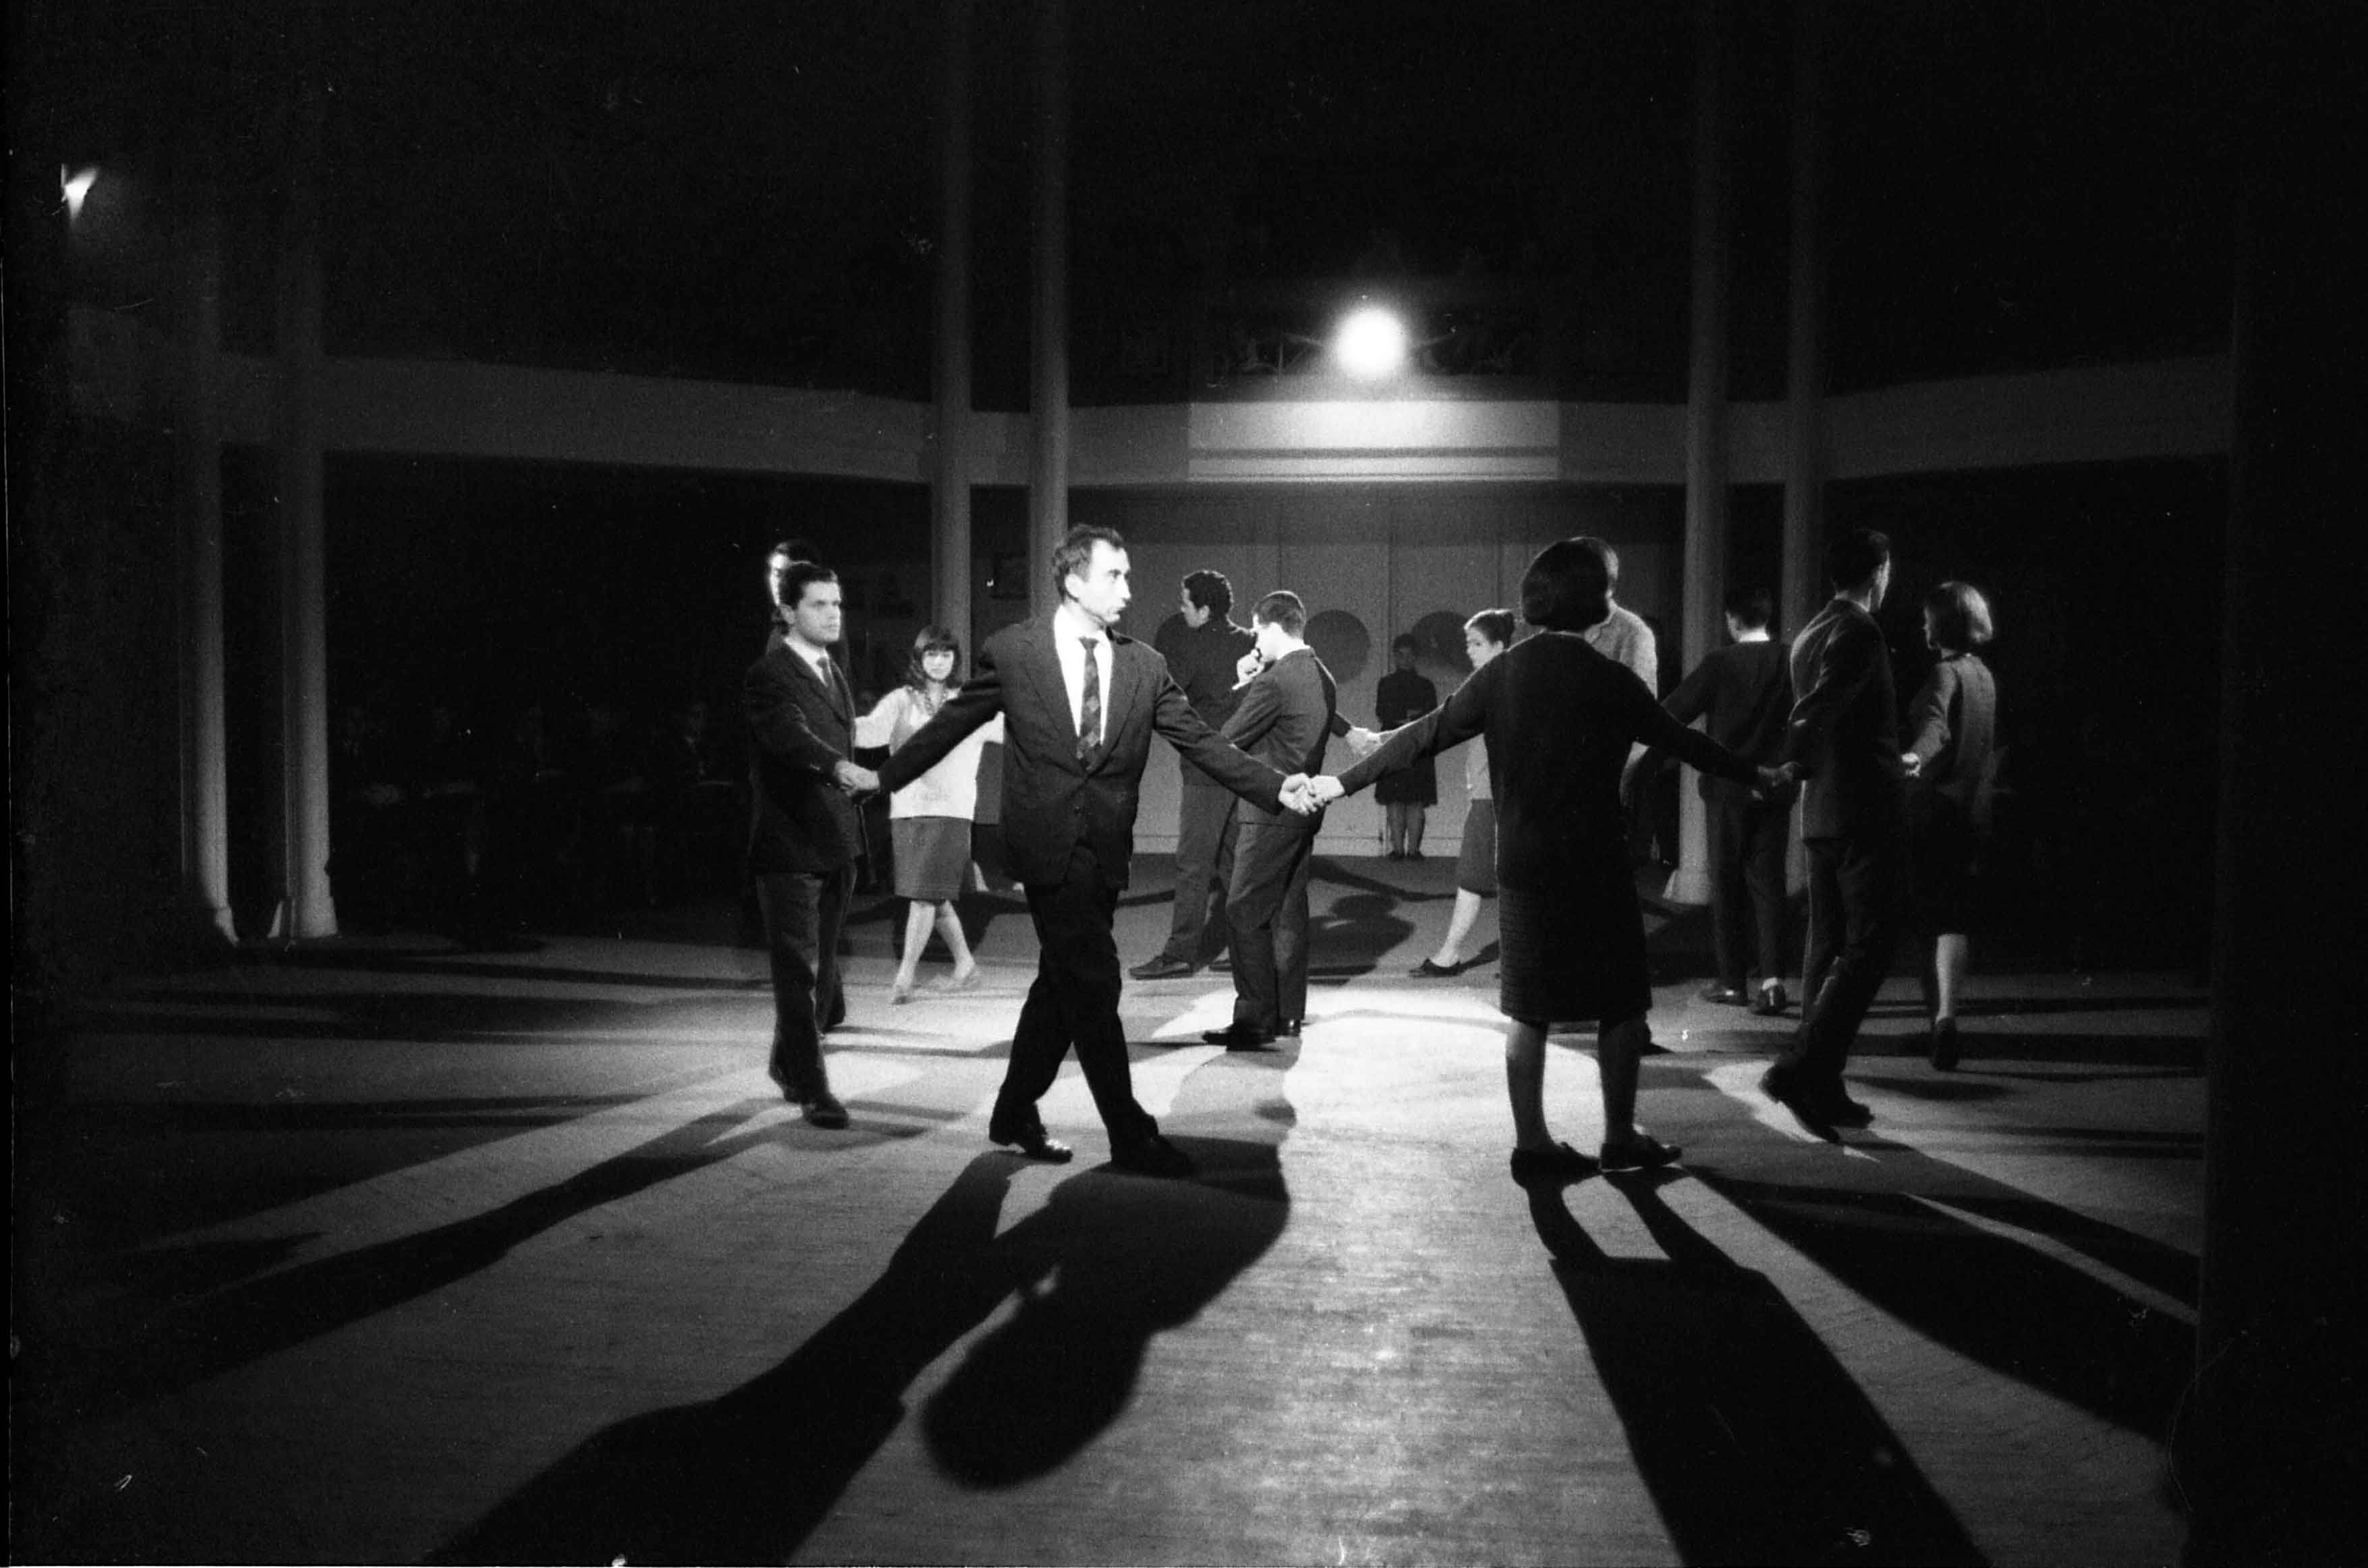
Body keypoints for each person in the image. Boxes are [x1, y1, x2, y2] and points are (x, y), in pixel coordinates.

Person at [1301, 539, 1778, 1183]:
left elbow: (1425, 736)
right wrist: (1755, 774)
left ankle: (1533, 1144)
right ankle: (1618, 1138)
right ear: (1596, 604)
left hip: (1524, 860)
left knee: (1527, 1005)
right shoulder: (1610, 678)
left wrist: (1340, 783)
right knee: (1621, 1004)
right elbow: (1681, 739)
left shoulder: (1502, 674)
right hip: (1598, 860)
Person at [873, 526, 1307, 1177]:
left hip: (1103, 851)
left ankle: (1013, 1110)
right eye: (1115, 577)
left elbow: (1202, 742)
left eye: (1128, 576)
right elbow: (952, 723)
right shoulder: (1013, 652)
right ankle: (1130, 1133)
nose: (1129, 592)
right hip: (1045, 849)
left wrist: (1277, 786)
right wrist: (879, 779)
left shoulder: (1143, 665)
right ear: (1074, 581)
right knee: (1095, 978)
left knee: (1062, 981)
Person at [1759, 528, 1906, 1136]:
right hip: (1859, 808)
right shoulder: (1859, 630)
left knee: (1828, 946)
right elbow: (1819, 706)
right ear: (1880, 571)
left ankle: (1823, 1083)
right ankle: (1800, 1067)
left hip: (1820, 810)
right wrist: (1793, 757)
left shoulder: (1811, 631)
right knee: (1871, 944)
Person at [744, 561, 877, 1129]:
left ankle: (789, 1062)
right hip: (792, 846)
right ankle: (813, 1087)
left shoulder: (834, 670)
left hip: (836, 842)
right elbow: (790, 738)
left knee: (823, 975)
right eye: (820, 604)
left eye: (837, 603)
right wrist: (839, 766)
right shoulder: (769, 674)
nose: (832, 614)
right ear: (788, 612)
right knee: (799, 972)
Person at [1201, 591, 1338, 1050]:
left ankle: (1254, 1019)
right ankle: (1287, 1015)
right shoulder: (1323, 675)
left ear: (1273, 627)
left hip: (1268, 813)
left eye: (1257, 631)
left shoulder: (1275, 680)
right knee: (1288, 913)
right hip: (1306, 813)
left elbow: (1225, 742)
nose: (1256, 641)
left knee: (1242, 910)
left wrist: (1244, 682)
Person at [1653, 586, 1797, 1015]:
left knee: (1728, 885)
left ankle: (1732, 982)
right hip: (1776, 788)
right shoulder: (1789, 658)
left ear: (1732, 619)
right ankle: (1773, 982)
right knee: (1769, 885)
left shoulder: (1720, 662)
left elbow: (1675, 710)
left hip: (1727, 790)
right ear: (1768, 618)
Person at [856, 626, 1005, 1003]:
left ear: (955, 659)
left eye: (946, 654)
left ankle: (903, 979)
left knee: (923, 896)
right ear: (919, 659)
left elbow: (1014, 729)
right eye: (931, 654)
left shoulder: (968, 704)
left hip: (951, 811)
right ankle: (966, 967)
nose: (939, 661)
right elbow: (868, 732)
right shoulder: (900, 701)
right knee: (933, 895)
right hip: (906, 809)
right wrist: (826, 719)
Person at [1131, 568, 1258, 980]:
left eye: (1186, 603)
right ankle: (1250, 948)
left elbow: (1161, 698)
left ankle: (1181, 953)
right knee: (1234, 862)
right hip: (1244, 769)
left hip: (1207, 770)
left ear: (1203, 610)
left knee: (1193, 862)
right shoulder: (1250, 642)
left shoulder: (1190, 645)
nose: (1180, 609)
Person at [1901, 582, 2000, 1071]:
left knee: (1927, 922)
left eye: (1927, 618)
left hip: (1934, 811)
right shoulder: (1984, 676)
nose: (1923, 625)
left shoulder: (1944, 672)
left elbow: (1935, 728)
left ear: (1941, 623)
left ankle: (1935, 1023)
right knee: (1955, 918)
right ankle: (1946, 1016)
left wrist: (1913, 757)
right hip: (1972, 813)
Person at [1410, 609, 1515, 978]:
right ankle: (1455, 953)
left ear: (1499, 646)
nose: (1469, 650)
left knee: (1482, 876)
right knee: (1486, 876)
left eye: (1477, 644)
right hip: (1488, 796)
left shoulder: (1504, 686)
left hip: (1499, 798)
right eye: (1468, 643)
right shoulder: (1488, 684)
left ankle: (1452, 953)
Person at [1373, 633, 1438, 858]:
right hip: (1394, 743)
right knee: (1394, 797)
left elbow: (1432, 714)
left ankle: (1413, 850)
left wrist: (1403, 716)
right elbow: (1383, 713)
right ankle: (1397, 849)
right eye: (1401, 655)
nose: (1405, 660)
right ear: (1394, 657)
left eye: (1409, 655)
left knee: (1416, 799)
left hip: (1419, 744)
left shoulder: (1426, 685)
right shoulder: (1386, 683)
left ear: (1416, 657)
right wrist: (1410, 715)